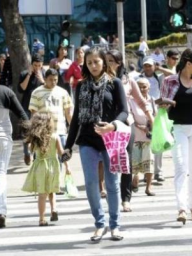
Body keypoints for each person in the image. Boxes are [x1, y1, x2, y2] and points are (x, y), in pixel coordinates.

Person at [62, 46, 128, 241]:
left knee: (112, 184)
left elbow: (124, 111)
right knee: (91, 183)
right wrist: (68, 146)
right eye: (89, 63)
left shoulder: (114, 83)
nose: (93, 66)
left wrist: (113, 126)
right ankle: (100, 224)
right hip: (87, 141)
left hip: (111, 139)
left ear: (104, 62)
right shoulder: (81, 86)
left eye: (96, 62)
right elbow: (75, 119)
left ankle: (115, 225)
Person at [106, 49, 154, 212]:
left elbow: (141, 101)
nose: (108, 64)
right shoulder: (100, 80)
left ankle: (126, 199)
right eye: (106, 60)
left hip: (126, 124)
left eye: (111, 61)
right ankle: (110, 193)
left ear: (119, 63)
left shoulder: (128, 81)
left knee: (126, 161)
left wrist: (150, 117)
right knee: (109, 161)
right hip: (107, 125)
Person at [161, 48, 192, 224]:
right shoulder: (170, 81)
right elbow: (162, 106)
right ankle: (182, 208)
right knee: (181, 167)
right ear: (188, 64)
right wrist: (165, 104)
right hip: (177, 128)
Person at [22, 112, 71, 226]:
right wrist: (68, 166)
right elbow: (61, 153)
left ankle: (42, 218)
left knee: (42, 194)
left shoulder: (36, 139)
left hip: (40, 167)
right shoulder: (55, 137)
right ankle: (54, 209)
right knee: (52, 190)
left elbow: (30, 150)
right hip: (53, 167)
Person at [0, 81, 28, 228]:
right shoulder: (6, 91)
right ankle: (1, 211)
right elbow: (22, 115)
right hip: (3, 137)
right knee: (1, 173)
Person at [137, 56, 165, 182]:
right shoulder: (137, 79)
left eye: (150, 65)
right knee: (144, 144)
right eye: (145, 65)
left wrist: (158, 68)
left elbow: (172, 73)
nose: (147, 68)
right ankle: (146, 172)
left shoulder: (158, 78)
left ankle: (158, 172)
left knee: (157, 144)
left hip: (157, 113)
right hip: (142, 114)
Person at [130, 78, 156, 196]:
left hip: (149, 137)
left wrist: (150, 126)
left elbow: (155, 117)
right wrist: (140, 127)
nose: (141, 89)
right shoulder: (131, 101)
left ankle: (148, 187)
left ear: (149, 87)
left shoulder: (153, 101)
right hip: (135, 136)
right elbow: (129, 117)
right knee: (135, 163)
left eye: (144, 86)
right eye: (139, 86)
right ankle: (135, 180)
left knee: (149, 162)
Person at [18, 54, 45, 165]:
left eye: (39, 65)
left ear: (42, 65)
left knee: (38, 131)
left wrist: (42, 80)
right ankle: (26, 152)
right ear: (31, 64)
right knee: (27, 131)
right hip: (26, 106)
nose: (37, 67)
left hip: (40, 107)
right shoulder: (24, 74)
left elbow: (49, 88)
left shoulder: (44, 74)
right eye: (35, 65)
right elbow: (21, 89)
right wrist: (29, 74)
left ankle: (35, 155)